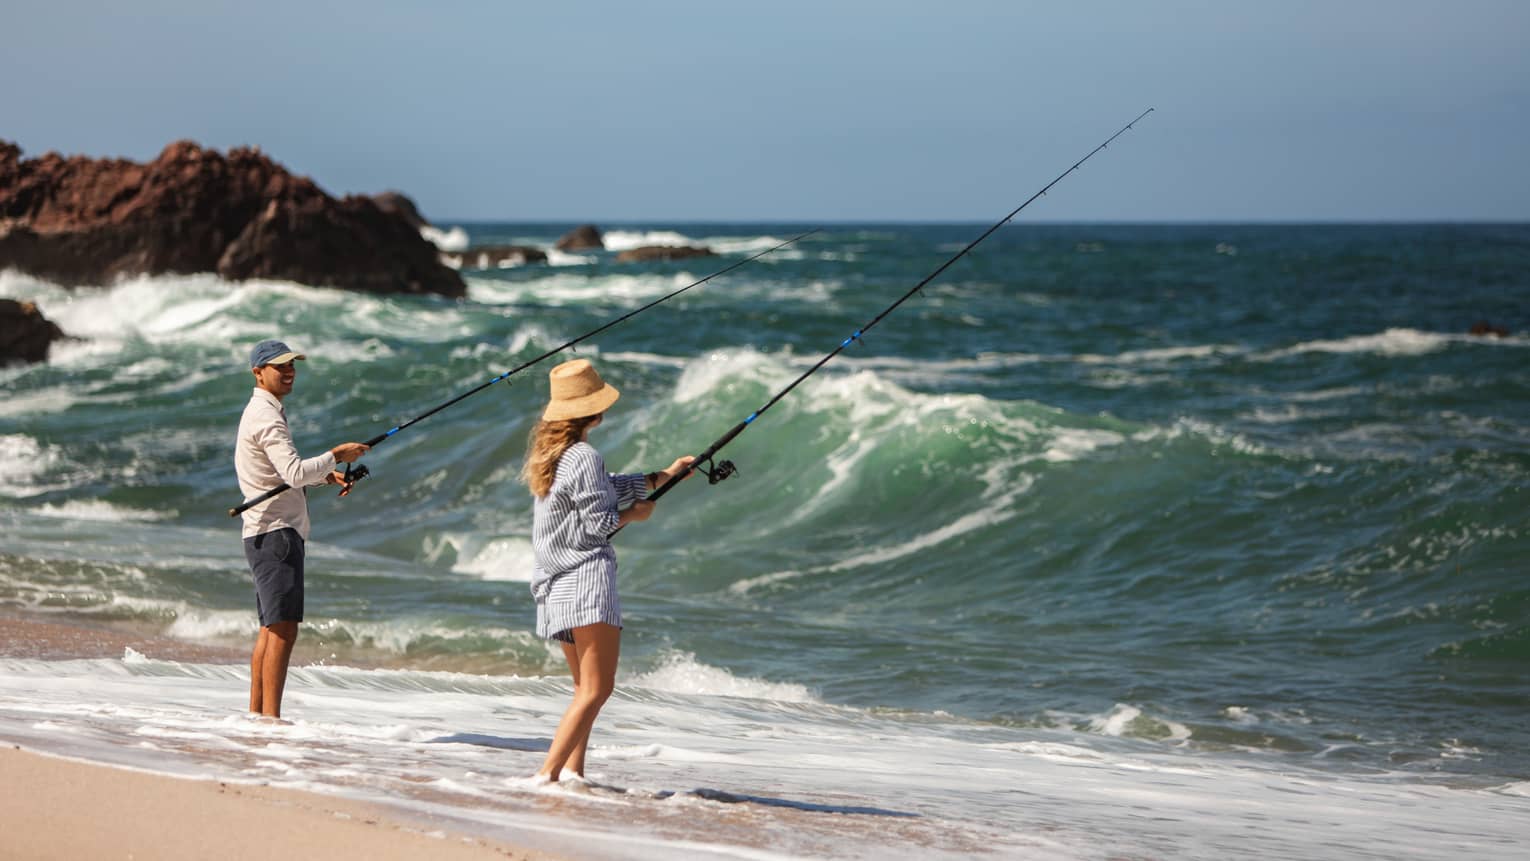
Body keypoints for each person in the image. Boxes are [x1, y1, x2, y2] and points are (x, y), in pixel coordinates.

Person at [523, 358, 693, 782]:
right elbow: (599, 522)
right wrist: (634, 516)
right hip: (585, 582)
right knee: (598, 690)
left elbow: (604, 487)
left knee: (584, 691)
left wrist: (664, 475)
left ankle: (573, 776)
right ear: (594, 413)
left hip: (555, 585)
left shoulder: (554, 457)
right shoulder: (584, 456)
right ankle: (546, 776)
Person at [234, 339, 369, 719]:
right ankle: (270, 720)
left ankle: (258, 718)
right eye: (280, 366)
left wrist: (329, 475)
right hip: (276, 534)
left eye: (292, 364)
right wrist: (336, 455)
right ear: (258, 373)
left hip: (265, 533)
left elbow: (279, 473)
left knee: (270, 630)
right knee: (282, 630)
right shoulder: (267, 416)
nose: (289, 371)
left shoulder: (262, 411)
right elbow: (293, 473)